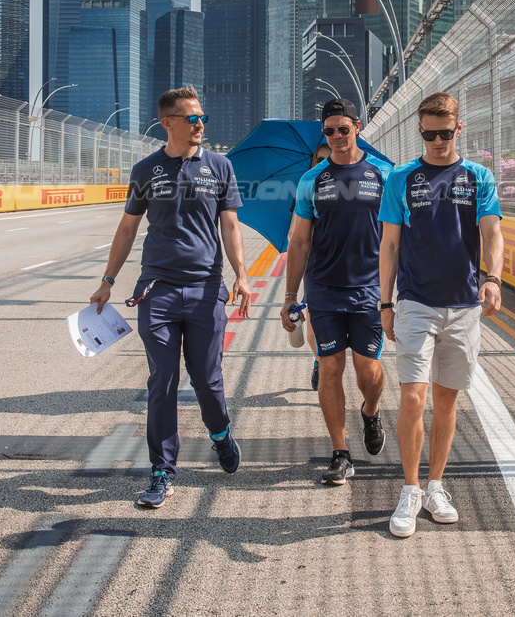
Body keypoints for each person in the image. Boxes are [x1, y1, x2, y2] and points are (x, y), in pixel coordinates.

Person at [90, 86, 252, 509]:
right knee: (162, 380)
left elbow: (230, 226)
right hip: (157, 289)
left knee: (207, 379)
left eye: (202, 117)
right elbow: (127, 228)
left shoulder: (220, 166)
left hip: (205, 289)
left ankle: (219, 434)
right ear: (168, 122)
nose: (200, 124)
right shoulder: (146, 169)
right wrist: (108, 279)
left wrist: (243, 275)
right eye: (191, 118)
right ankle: (162, 471)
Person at [377, 91, 503, 537]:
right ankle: (409, 490)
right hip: (415, 302)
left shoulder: (478, 176)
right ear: (419, 130)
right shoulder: (401, 178)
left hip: (464, 305)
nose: (435, 141)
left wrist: (493, 278)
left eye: (444, 133)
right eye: (428, 133)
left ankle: (435, 485)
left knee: (447, 401)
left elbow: (492, 233)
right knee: (414, 397)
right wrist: (385, 302)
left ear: (458, 129)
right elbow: (389, 245)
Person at [281, 98, 392, 485]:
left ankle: (371, 411)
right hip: (325, 289)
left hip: (370, 290)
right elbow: (298, 243)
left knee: (368, 371)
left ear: (357, 127)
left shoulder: (384, 173)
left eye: (343, 129)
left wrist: (399, 290)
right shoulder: (312, 180)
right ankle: (340, 452)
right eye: (329, 131)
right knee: (329, 368)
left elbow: (399, 237)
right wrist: (290, 297)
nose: (337, 137)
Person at [287, 143, 333, 392]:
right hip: (316, 266)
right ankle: (318, 361)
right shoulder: (306, 186)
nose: (325, 162)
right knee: (315, 327)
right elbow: (293, 235)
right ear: (313, 162)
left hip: (353, 268)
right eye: (320, 159)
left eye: (330, 157)